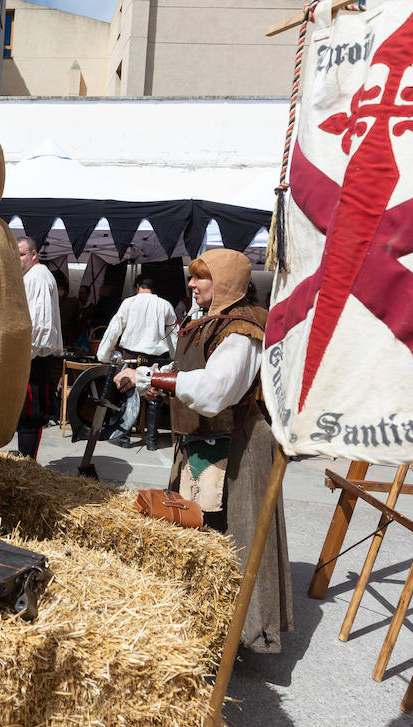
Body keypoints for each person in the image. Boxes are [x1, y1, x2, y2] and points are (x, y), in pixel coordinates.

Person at [115, 249, 293, 653]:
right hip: (204, 441)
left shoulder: (242, 332)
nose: (191, 284)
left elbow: (214, 392)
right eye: (192, 277)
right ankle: (201, 621)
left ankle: (244, 633)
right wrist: (147, 378)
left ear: (227, 283)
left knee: (237, 535)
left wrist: (152, 378)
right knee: (198, 530)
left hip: (239, 448)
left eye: (201, 278)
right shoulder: (208, 322)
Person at [96, 275, 178, 450]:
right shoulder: (165, 305)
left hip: (131, 355)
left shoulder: (129, 303)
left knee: (128, 393)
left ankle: (124, 437)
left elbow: (114, 328)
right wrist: (177, 359)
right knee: (153, 397)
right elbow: (174, 334)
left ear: (137, 286)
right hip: (155, 358)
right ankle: (151, 441)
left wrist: (104, 355)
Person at [16, 236, 63, 459]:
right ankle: (26, 462)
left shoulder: (38, 277)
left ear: (34, 254)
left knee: (30, 414)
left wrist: (26, 353)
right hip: (29, 355)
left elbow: (40, 324)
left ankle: (27, 465)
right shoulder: (32, 276)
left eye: (22, 254)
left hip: (33, 357)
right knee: (25, 414)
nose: (18, 259)